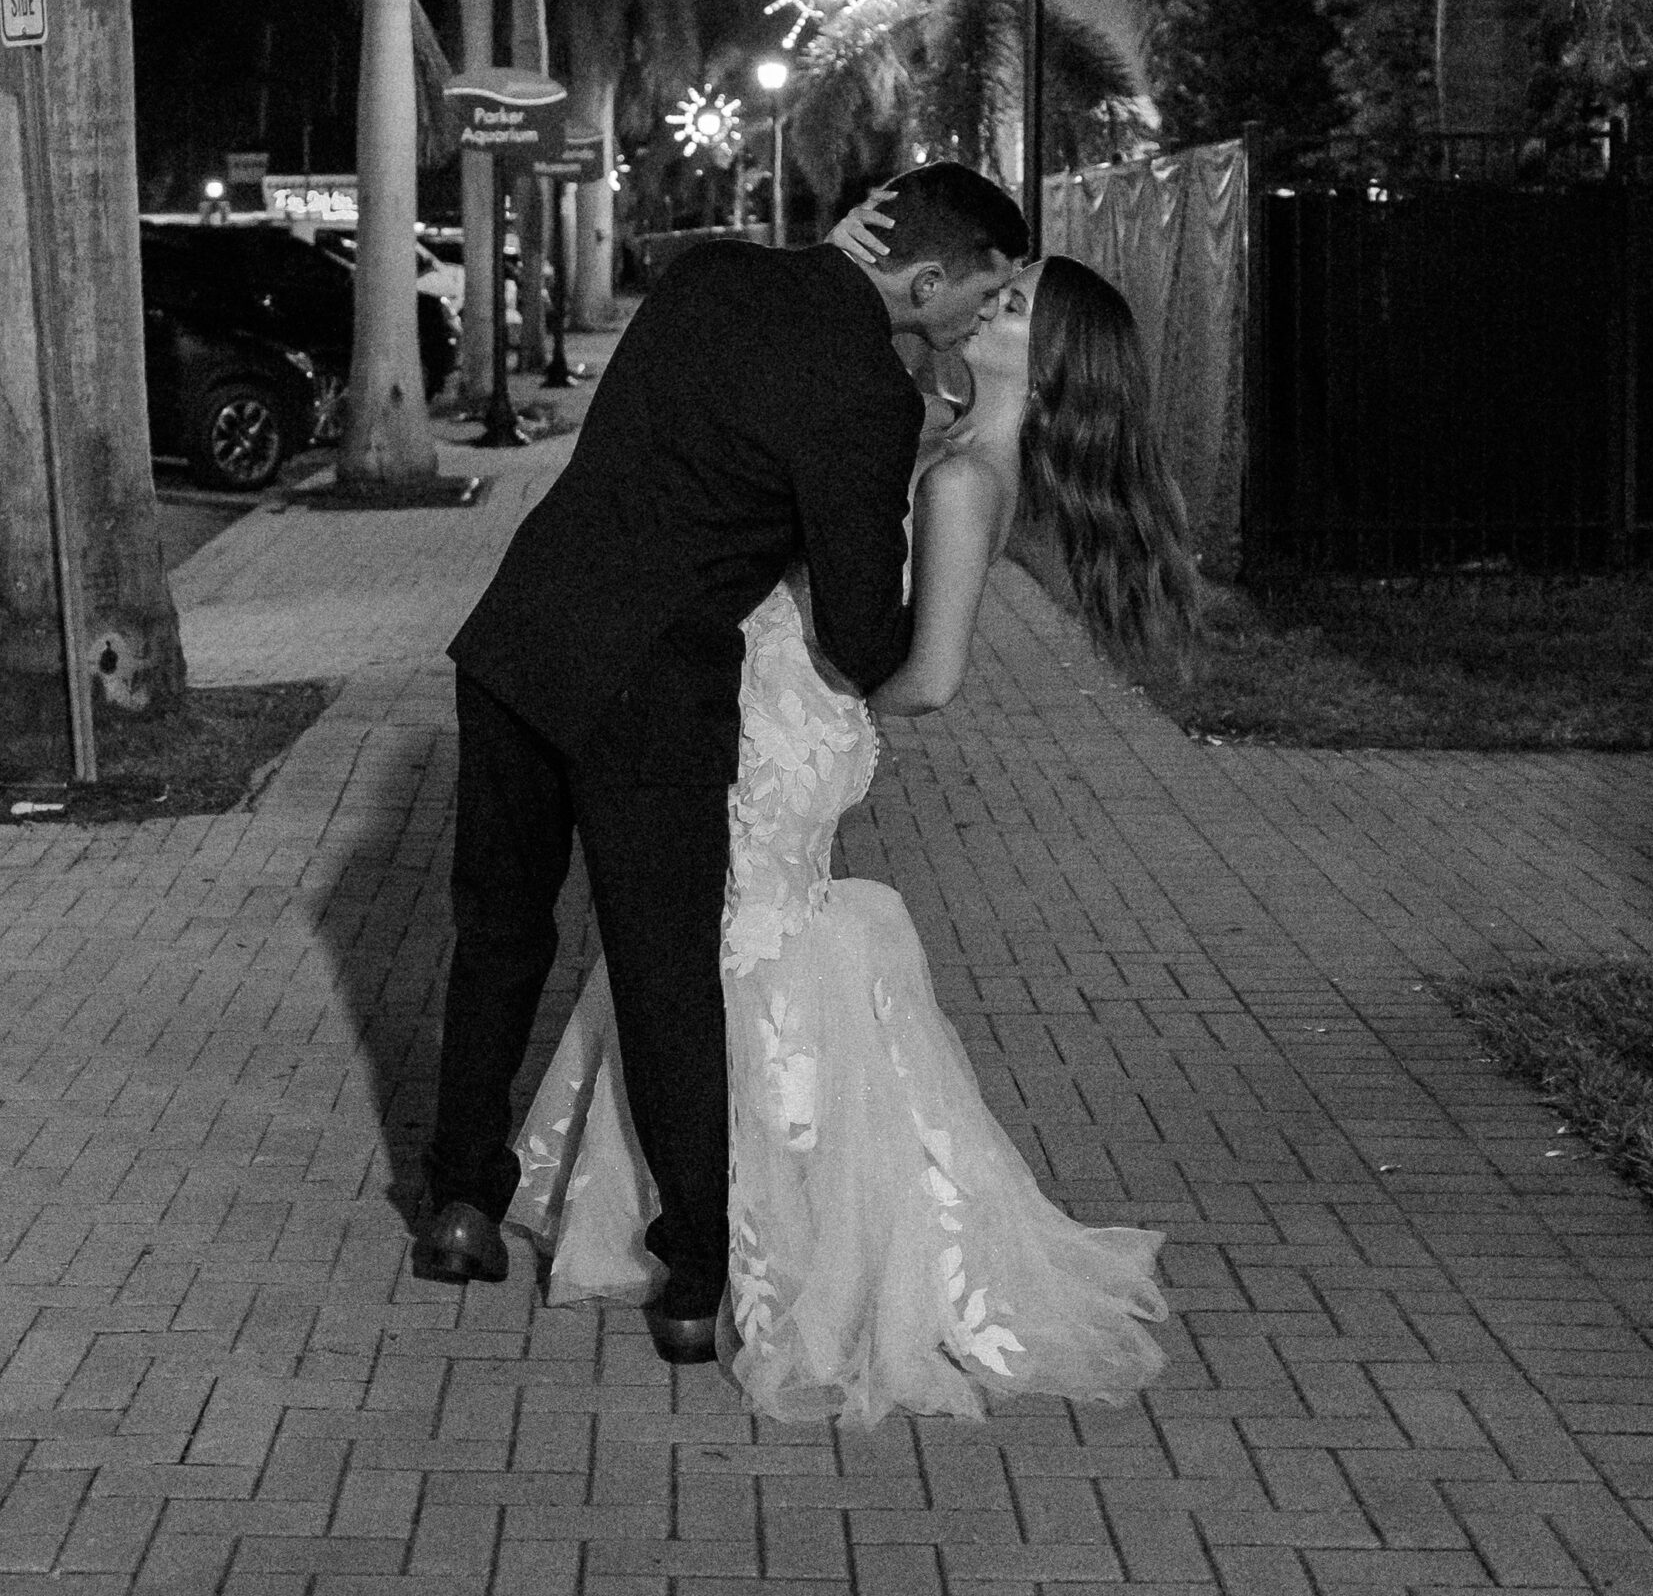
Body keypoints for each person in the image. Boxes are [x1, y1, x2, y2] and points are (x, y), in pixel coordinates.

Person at [509, 240, 1201, 1421]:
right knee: (713, 950)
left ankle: (760, 1239)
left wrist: (818, 677)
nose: (989, 303)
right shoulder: (959, 445)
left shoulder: (965, 478)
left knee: (723, 950)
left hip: (786, 722)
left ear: (1047, 354)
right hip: (778, 707)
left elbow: (925, 677)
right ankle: (734, 1223)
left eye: (1015, 304)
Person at [415, 164, 1027, 1366]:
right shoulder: (864, 390)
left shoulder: (706, 276)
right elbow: (860, 637)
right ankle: (694, 1275)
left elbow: (764, 327)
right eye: (981, 294)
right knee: (665, 971)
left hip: (515, 639)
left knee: (497, 932)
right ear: (923, 275)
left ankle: (456, 1205)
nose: (974, 323)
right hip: (647, 691)